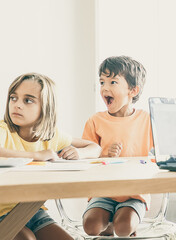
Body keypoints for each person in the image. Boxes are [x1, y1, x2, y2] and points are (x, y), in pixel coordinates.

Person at [0, 72, 102, 240]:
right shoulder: (4, 129)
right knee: (27, 238)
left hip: (32, 211)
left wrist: (79, 152)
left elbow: (95, 147)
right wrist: (35, 155)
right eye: (13, 98)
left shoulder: (52, 136)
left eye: (28, 100)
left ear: (46, 107)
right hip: (2, 213)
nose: (17, 105)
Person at [82, 56, 153, 237]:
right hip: (104, 190)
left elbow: (158, 156)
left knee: (124, 227)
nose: (105, 87)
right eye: (102, 82)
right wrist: (105, 156)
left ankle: (122, 226)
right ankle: (111, 226)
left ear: (133, 90)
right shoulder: (95, 121)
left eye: (113, 82)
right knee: (90, 226)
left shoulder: (147, 120)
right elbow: (85, 160)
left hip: (134, 192)